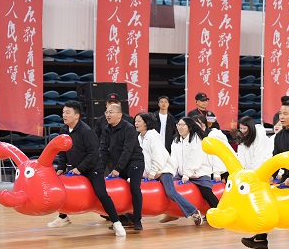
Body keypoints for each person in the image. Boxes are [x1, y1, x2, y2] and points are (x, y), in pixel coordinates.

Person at [241, 100, 289, 249]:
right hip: (286, 179)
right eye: (280, 113)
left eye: (285, 114)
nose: (281, 117)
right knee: (267, 199)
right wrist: (272, 176)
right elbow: (276, 159)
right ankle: (261, 238)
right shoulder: (280, 136)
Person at [47, 100, 126, 236]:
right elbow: (62, 151)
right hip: (75, 167)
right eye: (63, 112)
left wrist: (80, 169)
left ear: (77, 115)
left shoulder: (86, 131)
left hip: (92, 168)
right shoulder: (64, 130)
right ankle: (63, 217)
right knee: (62, 189)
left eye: (68, 112)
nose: (64, 115)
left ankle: (116, 222)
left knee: (101, 194)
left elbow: (94, 154)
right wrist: (61, 167)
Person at [136, 112, 203, 226]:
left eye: (138, 121)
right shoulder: (140, 137)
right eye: (135, 121)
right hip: (150, 172)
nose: (136, 123)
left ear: (146, 123)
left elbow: (158, 156)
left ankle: (193, 211)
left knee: (171, 192)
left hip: (163, 170)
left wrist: (153, 172)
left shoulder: (153, 136)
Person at [98, 100, 145, 232]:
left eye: (111, 112)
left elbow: (127, 151)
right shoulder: (106, 129)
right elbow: (103, 150)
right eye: (106, 112)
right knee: (115, 189)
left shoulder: (129, 128)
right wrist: (99, 169)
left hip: (134, 162)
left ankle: (137, 219)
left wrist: (118, 169)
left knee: (135, 188)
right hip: (118, 163)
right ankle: (121, 218)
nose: (108, 115)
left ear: (119, 115)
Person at [171, 117, 221, 214]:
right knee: (170, 188)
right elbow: (173, 159)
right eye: (178, 125)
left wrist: (187, 174)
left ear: (189, 127)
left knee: (206, 192)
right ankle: (173, 214)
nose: (180, 127)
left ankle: (219, 211)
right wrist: (172, 173)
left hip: (199, 173)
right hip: (181, 174)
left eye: (183, 125)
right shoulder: (176, 140)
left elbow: (194, 159)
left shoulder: (197, 139)